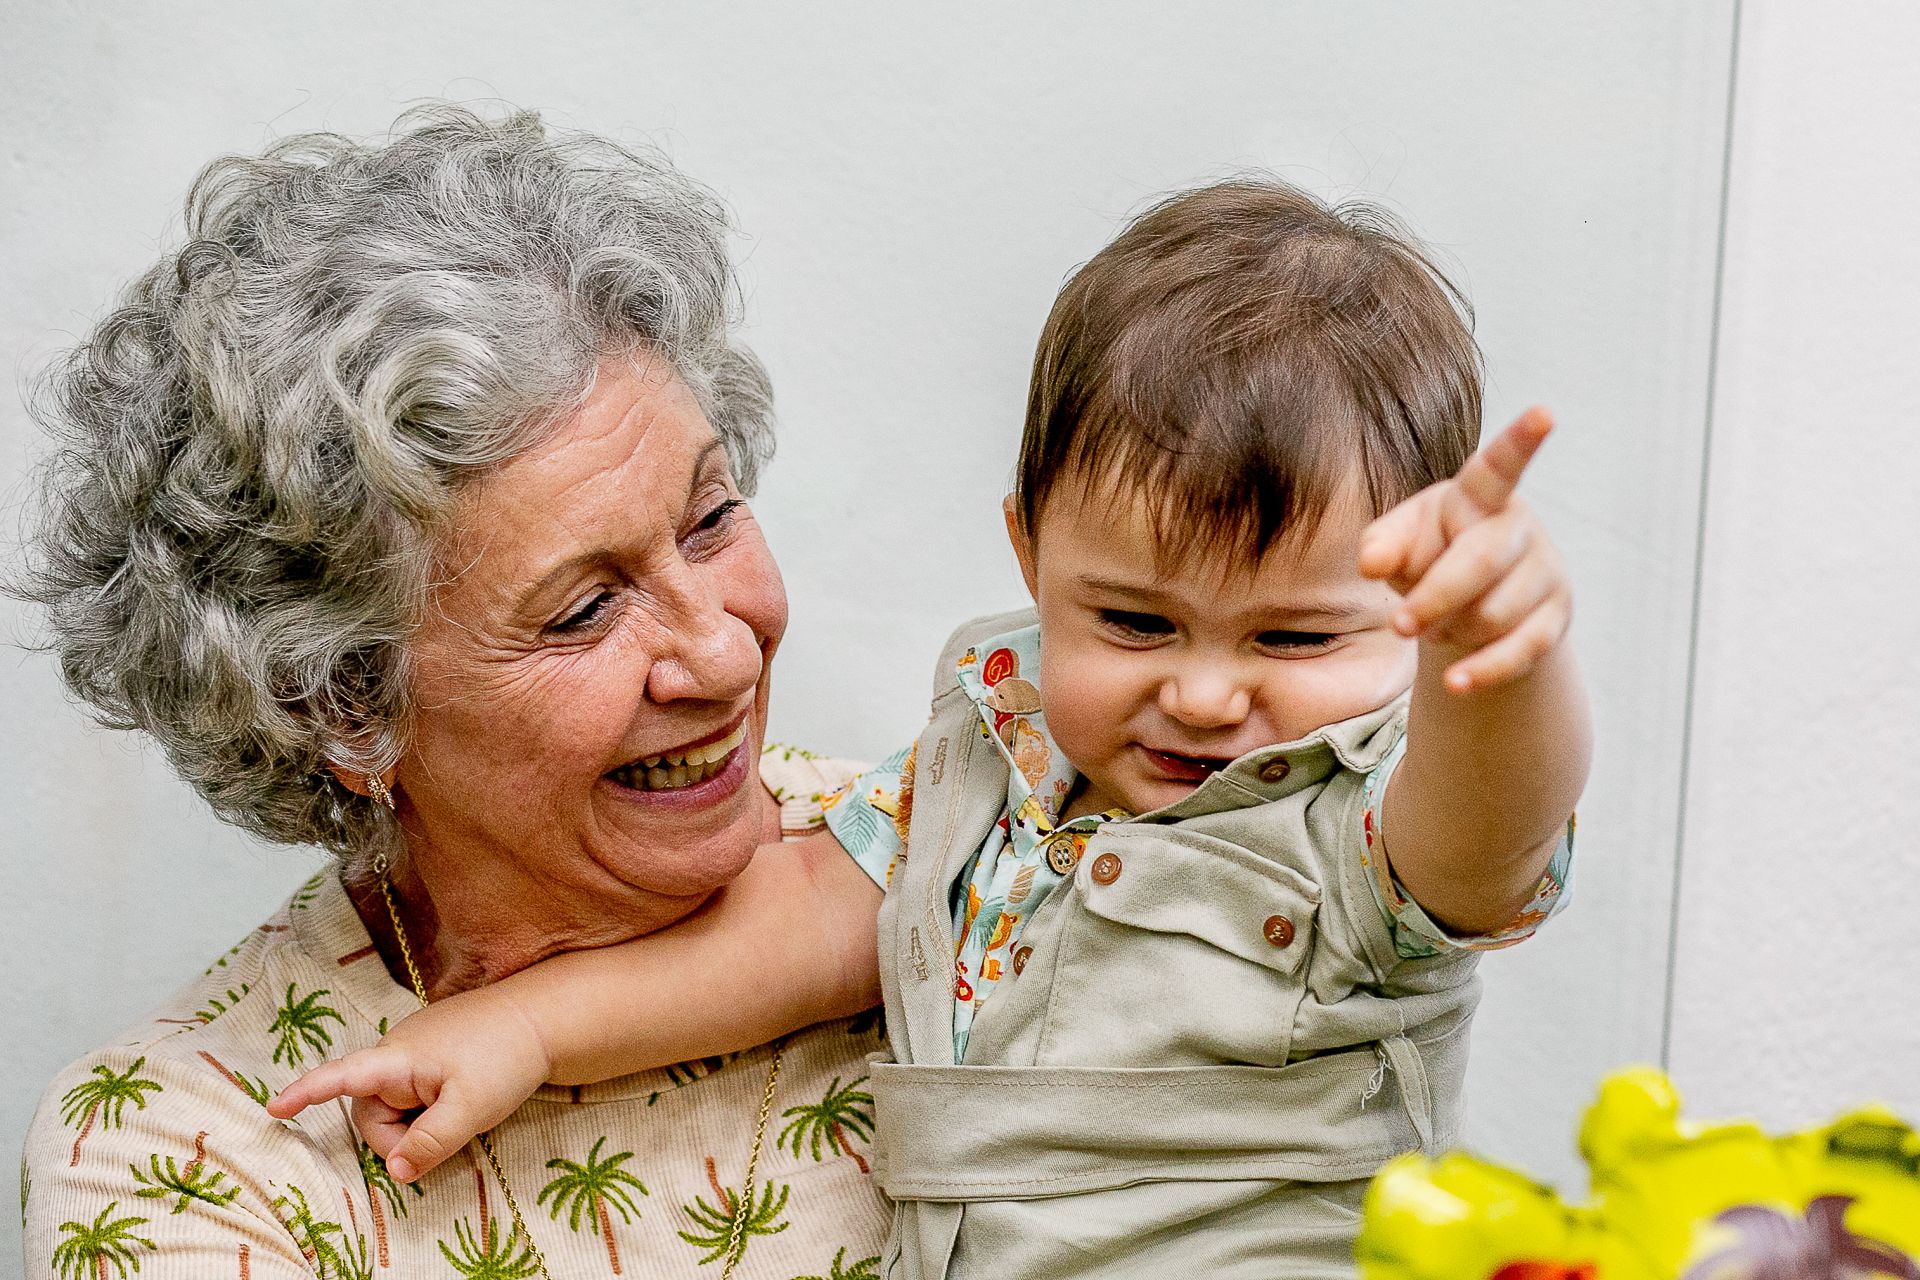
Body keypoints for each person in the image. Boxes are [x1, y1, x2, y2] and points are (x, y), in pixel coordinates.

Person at [278, 181, 1589, 1277]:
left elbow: (1492, 830)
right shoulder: (994, 754)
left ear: (1406, 625)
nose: (1202, 694)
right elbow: (794, 925)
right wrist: (535, 1030)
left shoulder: (1358, 819)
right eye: (1133, 624)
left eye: (1294, 640)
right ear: (1029, 553)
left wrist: (1498, 663)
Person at [16, 105, 891, 1278]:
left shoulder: (950, 856)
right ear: (344, 705)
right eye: (584, 609)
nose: (727, 654)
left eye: (711, 517)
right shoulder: (191, 1147)